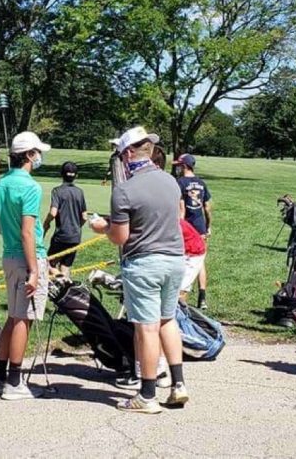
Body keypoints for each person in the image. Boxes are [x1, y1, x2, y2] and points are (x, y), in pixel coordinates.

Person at [90, 126, 189, 414]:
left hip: (144, 263)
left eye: (121, 154)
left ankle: (146, 395)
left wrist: (102, 227)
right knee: (167, 320)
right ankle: (178, 384)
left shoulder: (125, 190)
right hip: (174, 258)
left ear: (129, 153)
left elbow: (119, 237)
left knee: (146, 328)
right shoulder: (170, 181)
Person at [0, 131, 52, 400]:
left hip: (9, 256)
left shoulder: (0, 184)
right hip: (28, 257)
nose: (39, 157)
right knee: (24, 318)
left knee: (13, 317)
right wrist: (35, 270)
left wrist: (8, 235)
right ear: (28, 156)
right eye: (36, 153)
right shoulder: (31, 187)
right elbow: (28, 231)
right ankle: (14, 381)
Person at [174, 153, 212, 310]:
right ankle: (202, 297)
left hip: (187, 227)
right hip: (200, 225)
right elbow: (207, 207)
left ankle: (181, 299)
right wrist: (208, 225)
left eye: (178, 165)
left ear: (184, 166)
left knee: (185, 261)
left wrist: (178, 226)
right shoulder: (201, 183)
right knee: (199, 261)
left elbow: (181, 208)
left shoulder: (180, 183)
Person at [43, 162, 88, 279]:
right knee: (66, 265)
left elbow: (53, 212)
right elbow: (84, 217)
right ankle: (66, 289)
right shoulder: (79, 192)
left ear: (61, 174)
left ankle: (60, 280)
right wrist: (77, 227)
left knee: (48, 264)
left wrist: (46, 223)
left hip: (61, 236)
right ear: (76, 176)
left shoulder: (57, 191)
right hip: (75, 236)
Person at [179, 217, 207, 305]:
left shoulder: (170, 224)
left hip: (193, 252)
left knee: (181, 289)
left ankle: (179, 314)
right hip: (184, 250)